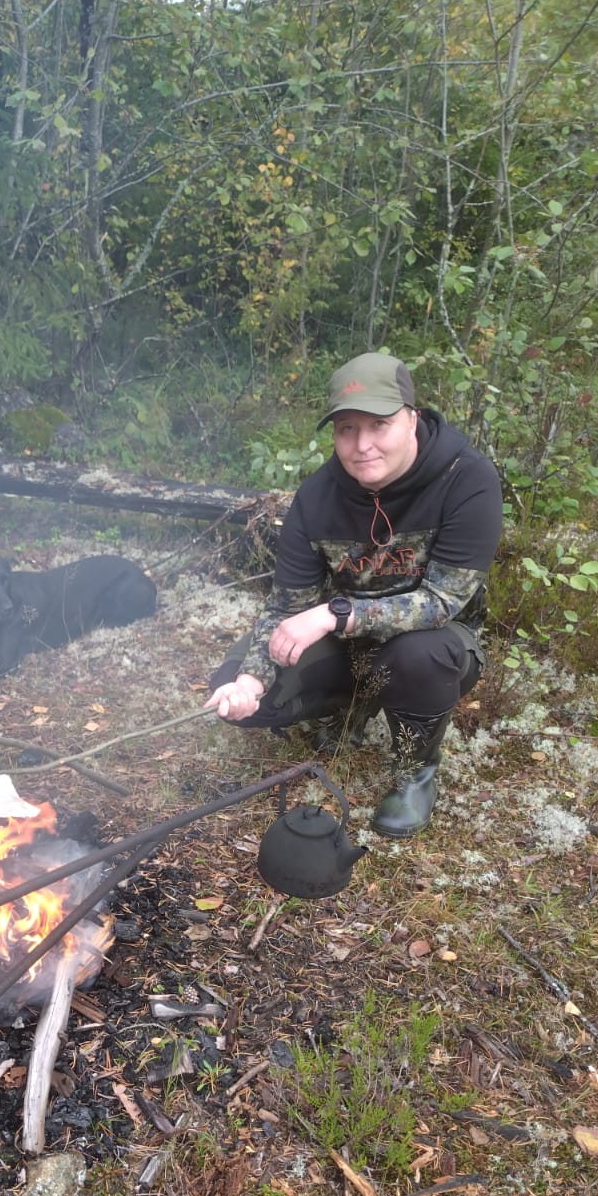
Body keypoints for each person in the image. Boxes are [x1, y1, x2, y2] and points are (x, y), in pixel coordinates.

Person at [206, 351, 503, 837]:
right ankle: (353, 706)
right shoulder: (316, 498)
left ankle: (415, 773)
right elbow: (286, 606)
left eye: (379, 425)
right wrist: (251, 680)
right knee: (241, 692)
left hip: (436, 641)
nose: (362, 445)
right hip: (348, 644)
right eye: (347, 429)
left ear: (411, 419)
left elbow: (441, 602)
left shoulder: (466, 479)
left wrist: (335, 614)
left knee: (419, 656)